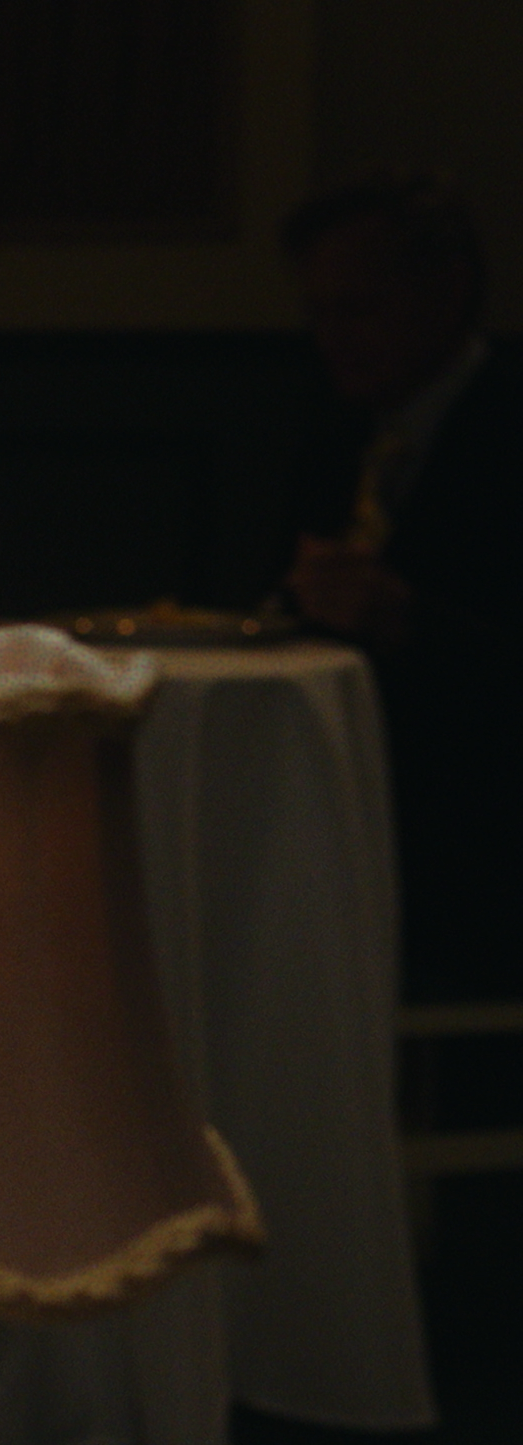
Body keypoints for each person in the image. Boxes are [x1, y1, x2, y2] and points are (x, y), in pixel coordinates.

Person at [277, 171, 520, 1004]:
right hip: (348, 814)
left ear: (446, 293)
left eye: (358, 309)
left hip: (478, 838)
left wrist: (407, 619)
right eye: (318, 314)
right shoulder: (338, 435)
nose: (331, 338)